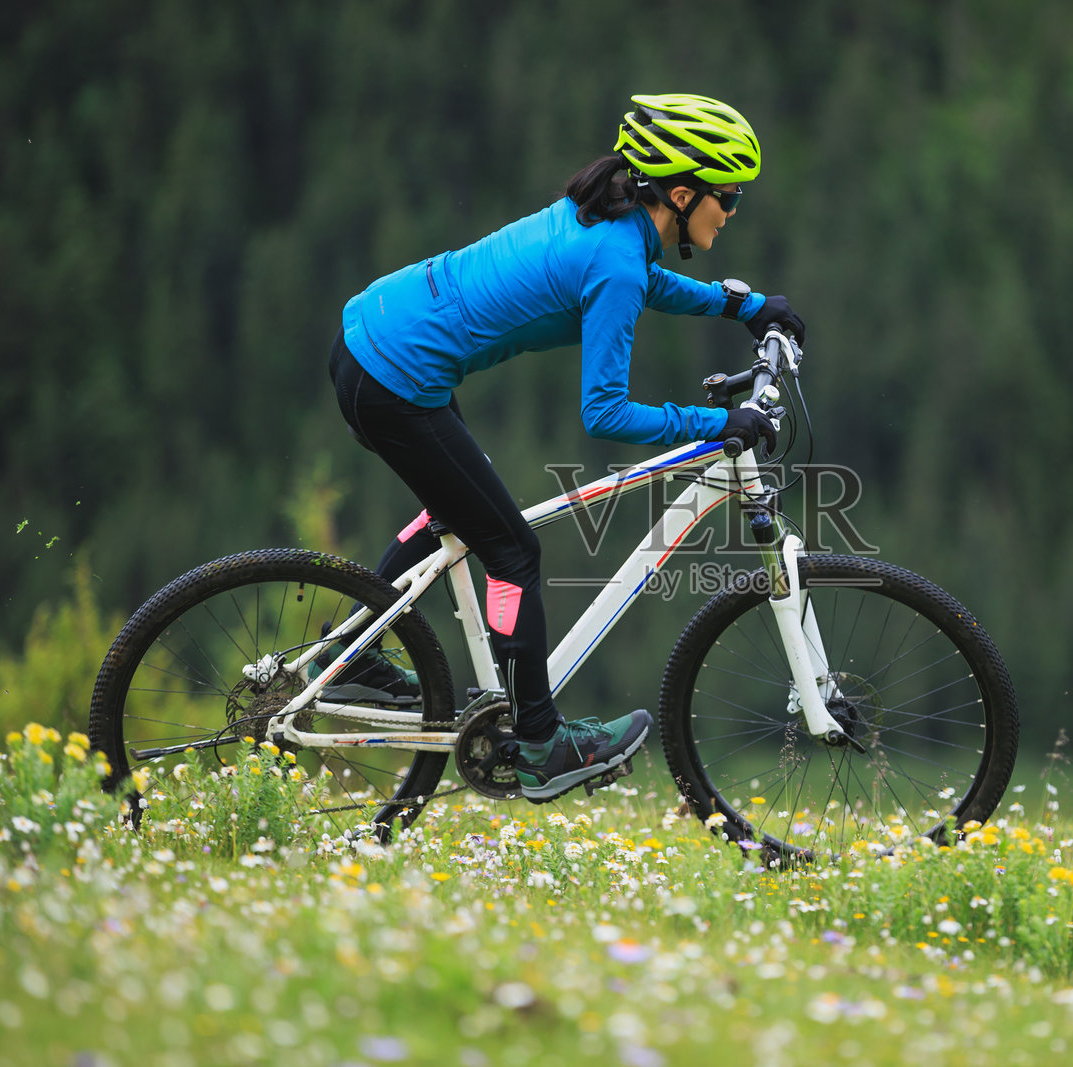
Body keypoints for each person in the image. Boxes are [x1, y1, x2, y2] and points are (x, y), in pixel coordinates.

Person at [326, 93, 806, 804]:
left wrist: (740, 306)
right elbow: (604, 411)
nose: (732, 211)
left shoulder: (613, 224)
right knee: (513, 551)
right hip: (395, 374)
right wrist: (715, 425)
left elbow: (642, 280)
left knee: (458, 511)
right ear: (681, 194)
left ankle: (348, 656)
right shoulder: (616, 255)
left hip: (378, 339)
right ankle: (541, 742)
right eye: (728, 197)